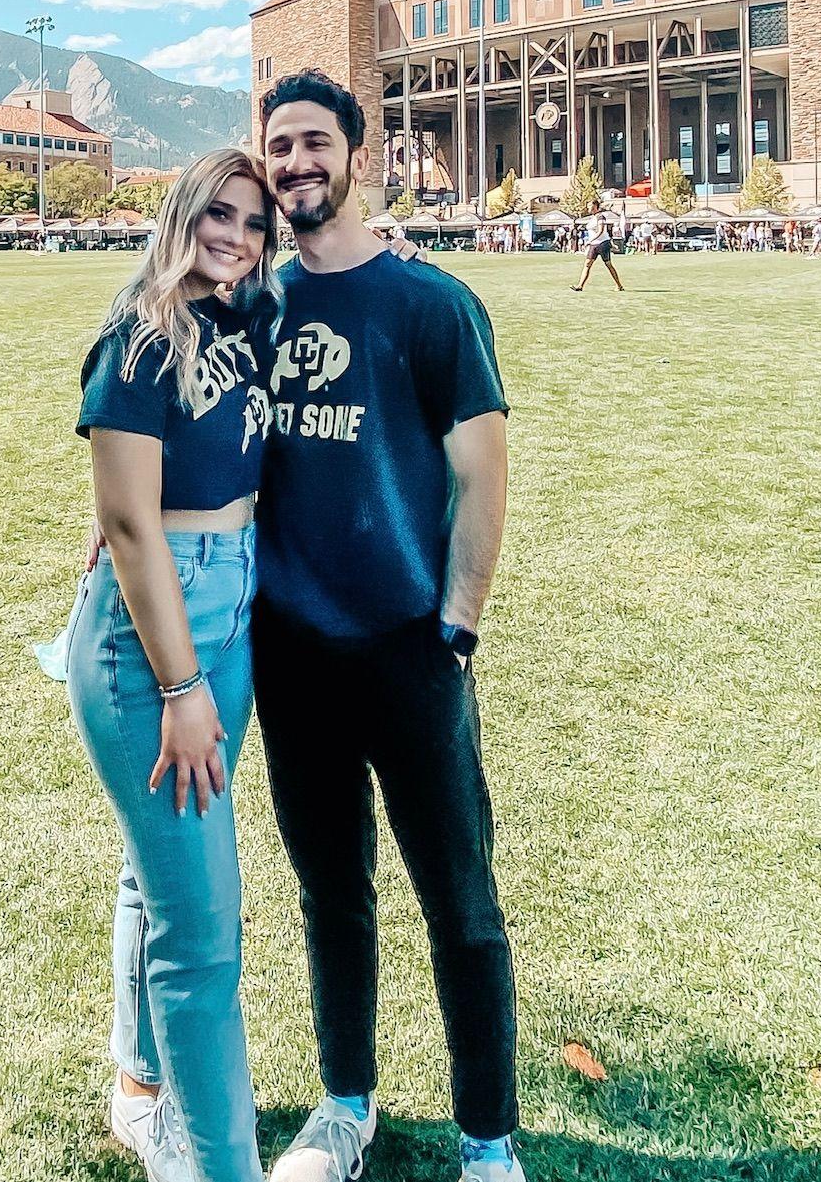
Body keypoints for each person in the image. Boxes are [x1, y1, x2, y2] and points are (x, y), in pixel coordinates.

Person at [254, 70, 526, 1182]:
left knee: (459, 900)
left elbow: (482, 475)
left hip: (411, 652)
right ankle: (344, 1106)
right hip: (290, 656)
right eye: (279, 145)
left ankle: (487, 1139)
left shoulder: (430, 304)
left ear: (354, 156)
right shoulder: (253, 302)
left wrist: (453, 629)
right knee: (331, 896)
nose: (296, 162)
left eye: (314, 141)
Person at [66, 147, 279, 1182]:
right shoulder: (139, 336)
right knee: (201, 934)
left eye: (253, 221)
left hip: (229, 605)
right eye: (217, 213)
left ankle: (141, 1090)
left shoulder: (239, 320)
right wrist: (180, 687)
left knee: (154, 881)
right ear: (183, 213)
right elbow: (127, 522)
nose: (234, 235)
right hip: (153, 642)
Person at [571, 210, 623, 292]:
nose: (589, 208)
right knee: (587, 264)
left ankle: (619, 285)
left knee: (608, 264)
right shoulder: (593, 218)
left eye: (590, 205)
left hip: (602, 243)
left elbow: (601, 231)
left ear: (595, 206)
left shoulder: (600, 217)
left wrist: (590, 240)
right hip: (593, 244)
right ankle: (580, 286)